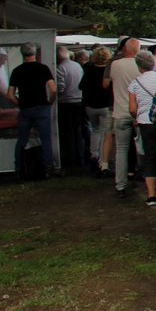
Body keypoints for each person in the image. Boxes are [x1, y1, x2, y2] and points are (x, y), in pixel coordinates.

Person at [126, 51, 156, 205]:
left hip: (145, 123)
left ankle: (151, 195)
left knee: (149, 157)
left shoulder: (135, 83)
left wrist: (136, 116)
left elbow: (132, 108)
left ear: (139, 66)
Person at [8, 43, 57, 177]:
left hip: (25, 109)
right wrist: (50, 102)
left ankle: (18, 168)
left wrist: (19, 103)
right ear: (35, 53)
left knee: (22, 140)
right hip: (42, 107)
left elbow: (10, 95)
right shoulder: (43, 68)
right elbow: (53, 89)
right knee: (45, 139)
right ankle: (48, 168)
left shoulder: (17, 71)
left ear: (22, 54)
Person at [105, 38, 141, 198]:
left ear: (125, 49)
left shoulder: (115, 65)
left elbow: (108, 83)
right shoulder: (141, 66)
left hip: (120, 111)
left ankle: (120, 184)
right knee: (143, 149)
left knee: (121, 150)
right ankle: (149, 182)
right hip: (138, 113)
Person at [81, 45, 113, 174]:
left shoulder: (88, 69)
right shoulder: (108, 71)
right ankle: (102, 160)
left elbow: (81, 85)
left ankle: (94, 154)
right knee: (105, 133)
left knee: (95, 130)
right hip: (105, 105)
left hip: (90, 105)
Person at [54, 46, 86, 175]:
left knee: (68, 132)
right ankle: (81, 156)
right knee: (78, 130)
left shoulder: (60, 68)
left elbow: (60, 87)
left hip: (66, 103)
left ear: (58, 56)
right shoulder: (77, 66)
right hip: (79, 101)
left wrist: (57, 96)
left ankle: (71, 158)